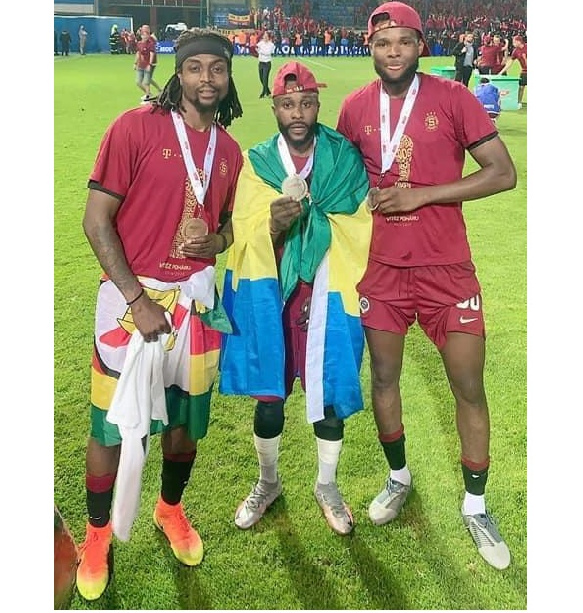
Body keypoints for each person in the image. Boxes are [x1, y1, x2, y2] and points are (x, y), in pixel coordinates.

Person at [336, 2, 517, 570]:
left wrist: (422, 193)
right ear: (371, 46)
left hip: (446, 269)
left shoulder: (454, 98)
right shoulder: (354, 107)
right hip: (381, 269)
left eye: (404, 42)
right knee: (384, 377)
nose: (393, 52)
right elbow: (338, 178)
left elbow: (502, 172)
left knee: (468, 385)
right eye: (383, 42)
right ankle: (398, 477)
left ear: (421, 46)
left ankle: (476, 504)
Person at [75, 28, 244, 601]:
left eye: (215, 69)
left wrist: (216, 243)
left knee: (182, 425)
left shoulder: (231, 150)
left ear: (227, 78)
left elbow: (227, 230)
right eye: (194, 68)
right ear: (178, 73)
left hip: (195, 307)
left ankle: (170, 509)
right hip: (131, 309)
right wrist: (138, 300)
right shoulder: (134, 127)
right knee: (110, 426)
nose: (205, 79)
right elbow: (96, 221)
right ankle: (97, 534)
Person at [219, 61, 373, 536]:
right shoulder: (257, 160)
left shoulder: (343, 157)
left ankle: (327, 484)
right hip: (273, 296)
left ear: (317, 104)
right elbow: (241, 228)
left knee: (327, 396)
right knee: (269, 398)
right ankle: (268, 482)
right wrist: (272, 225)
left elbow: (358, 219)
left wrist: (314, 222)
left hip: (328, 292)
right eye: (288, 105)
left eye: (306, 103)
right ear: (275, 107)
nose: (298, 113)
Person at [498, 35, 527, 108]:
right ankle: (519, 102)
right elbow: (510, 63)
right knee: (521, 87)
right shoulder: (516, 51)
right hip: (524, 71)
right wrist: (501, 72)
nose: (513, 44)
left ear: (518, 41)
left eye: (514, 42)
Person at [134, 27, 157, 102]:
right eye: (143, 35)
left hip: (148, 65)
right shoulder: (139, 44)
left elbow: (152, 54)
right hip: (140, 65)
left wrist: (149, 64)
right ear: (141, 35)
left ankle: (148, 97)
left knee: (147, 82)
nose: (145, 36)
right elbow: (138, 53)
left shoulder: (150, 43)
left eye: (146, 35)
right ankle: (149, 94)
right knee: (138, 82)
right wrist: (135, 63)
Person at [256, 30, 275, 98]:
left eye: (266, 36)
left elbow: (268, 53)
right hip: (261, 63)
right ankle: (268, 91)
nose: (264, 37)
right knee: (261, 78)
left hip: (267, 63)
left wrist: (260, 51)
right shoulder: (261, 43)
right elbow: (256, 47)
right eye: (264, 36)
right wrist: (257, 50)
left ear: (269, 37)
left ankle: (263, 93)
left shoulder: (271, 45)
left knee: (265, 78)